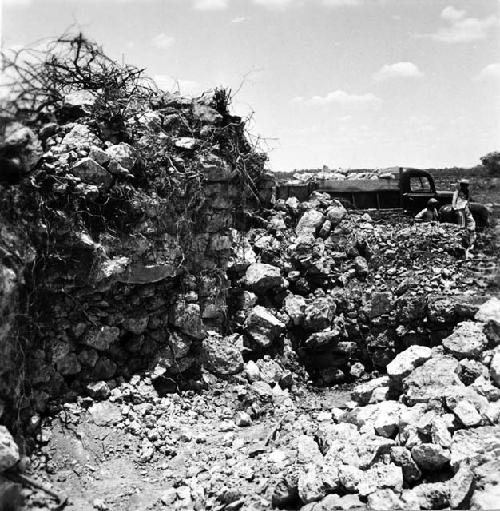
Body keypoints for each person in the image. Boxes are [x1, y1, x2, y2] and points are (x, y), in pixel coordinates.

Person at [452, 179, 476, 258]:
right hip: (459, 207)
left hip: (465, 207)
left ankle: (470, 236)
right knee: (461, 223)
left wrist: (468, 205)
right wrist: (453, 207)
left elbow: (468, 200)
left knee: (471, 221)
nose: (465, 187)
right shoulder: (457, 191)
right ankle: (462, 237)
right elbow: (454, 199)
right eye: (464, 185)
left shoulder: (467, 191)